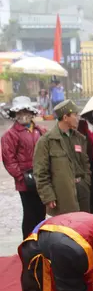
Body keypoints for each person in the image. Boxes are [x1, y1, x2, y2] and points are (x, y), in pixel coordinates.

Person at [34, 100, 91, 216]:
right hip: (62, 194)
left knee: (83, 228)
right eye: (75, 115)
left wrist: (86, 182)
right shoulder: (46, 141)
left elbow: (85, 163)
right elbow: (40, 172)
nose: (78, 118)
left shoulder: (79, 138)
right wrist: (48, 196)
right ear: (65, 117)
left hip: (82, 191)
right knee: (65, 229)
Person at [1, 97, 46, 238]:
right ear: (14, 115)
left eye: (26, 111)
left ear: (32, 113)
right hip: (25, 182)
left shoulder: (41, 130)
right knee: (30, 214)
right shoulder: (10, 135)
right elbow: (9, 159)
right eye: (19, 112)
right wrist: (22, 177)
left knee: (41, 212)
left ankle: (40, 242)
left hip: (42, 179)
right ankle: (28, 243)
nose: (23, 115)